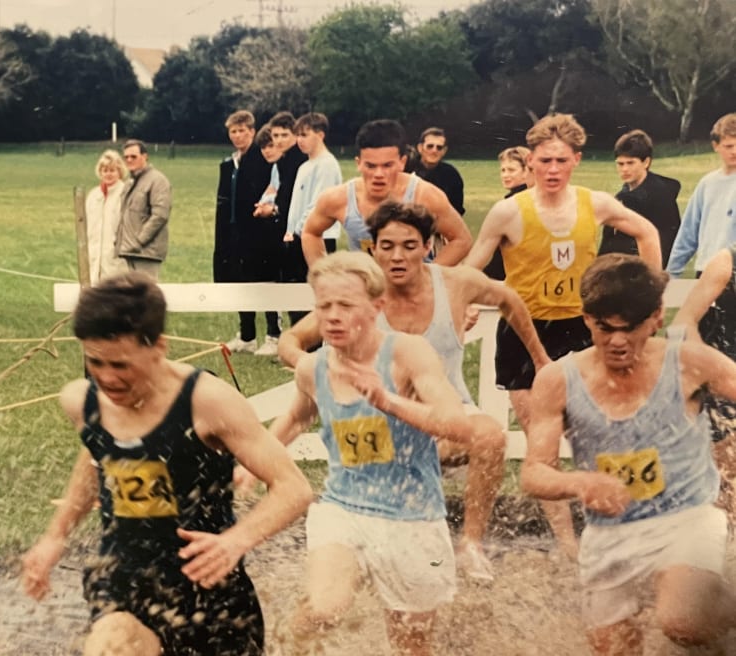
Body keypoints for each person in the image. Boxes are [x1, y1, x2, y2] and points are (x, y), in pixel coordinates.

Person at [22, 273, 313, 655]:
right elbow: (97, 455)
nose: (107, 378)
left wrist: (236, 541)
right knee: (111, 646)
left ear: (158, 346)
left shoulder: (208, 403)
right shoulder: (81, 402)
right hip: (123, 578)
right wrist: (55, 536)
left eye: (121, 365)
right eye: (95, 362)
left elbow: (295, 488)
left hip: (208, 585)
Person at [273, 201, 548, 580]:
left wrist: (540, 358)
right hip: (376, 420)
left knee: (490, 436)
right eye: (387, 246)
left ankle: (471, 543)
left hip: (445, 415)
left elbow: (510, 299)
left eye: (408, 245)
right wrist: (309, 367)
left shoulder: (456, 282)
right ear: (373, 248)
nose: (397, 256)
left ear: (428, 246)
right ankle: (364, 545)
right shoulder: (360, 295)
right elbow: (292, 338)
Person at [464, 113, 662, 558]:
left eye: (560, 161)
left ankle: (620, 528)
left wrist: (650, 295)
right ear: (530, 161)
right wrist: (460, 309)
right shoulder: (508, 211)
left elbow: (647, 231)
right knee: (542, 443)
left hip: (581, 329)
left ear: (575, 160)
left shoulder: (595, 204)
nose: (551, 170)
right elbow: (471, 267)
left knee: (601, 430)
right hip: (524, 332)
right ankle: (569, 546)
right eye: (543, 161)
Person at [522, 253, 736, 654]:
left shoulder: (690, 363)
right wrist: (579, 481)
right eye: (604, 328)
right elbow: (533, 472)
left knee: (683, 620)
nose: (617, 341)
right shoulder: (558, 381)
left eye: (630, 329)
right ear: (586, 318)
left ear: (656, 317)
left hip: (685, 518)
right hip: (610, 535)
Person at [269, 251, 474, 654]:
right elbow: (296, 419)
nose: (332, 316)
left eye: (345, 305)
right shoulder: (313, 368)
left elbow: (456, 425)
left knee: (411, 647)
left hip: (413, 517)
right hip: (343, 509)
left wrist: (388, 401)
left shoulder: (407, 354)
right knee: (324, 609)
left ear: (377, 307)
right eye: (324, 305)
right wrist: (255, 462)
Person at [300, 119, 472, 266]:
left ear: (402, 163)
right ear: (358, 163)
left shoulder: (425, 196)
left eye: (387, 165)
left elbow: (462, 239)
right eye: (371, 166)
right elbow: (310, 233)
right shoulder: (338, 198)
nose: (378, 175)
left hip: (414, 294)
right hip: (368, 290)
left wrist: (428, 275)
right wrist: (324, 274)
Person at [670, 244, 736, 521]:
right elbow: (683, 323)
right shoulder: (727, 262)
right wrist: (706, 369)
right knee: (727, 483)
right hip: (718, 379)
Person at [213, 110, 279, 356]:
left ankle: (273, 334)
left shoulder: (262, 161)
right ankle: (247, 335)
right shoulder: (230, 163)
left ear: (252, 131)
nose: (238, 135)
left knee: (264, 281)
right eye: (233, 131)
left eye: (243, 130)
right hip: (235, 233)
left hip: (260, 233)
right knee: (239, 281)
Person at [281, 112, 343, 327]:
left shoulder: (326, 165)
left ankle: (316, 347)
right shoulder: (304, 166)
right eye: (297, 135)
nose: (300, 140)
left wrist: (298, 230)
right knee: (296, 296)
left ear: (320, 135)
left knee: (316, 294)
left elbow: (318, 204)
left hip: (318, 238)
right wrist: (291, 231)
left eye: (305, 135)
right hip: (297, 237)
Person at [667, 113, 736, 278]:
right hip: (706, 271)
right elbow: (688, 233)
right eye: (728, 146)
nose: (734, 151)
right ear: (715, 146)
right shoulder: (707, 184)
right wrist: (672, 273)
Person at [599, 129, 681, 262]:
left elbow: (667, 241)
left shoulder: (661, 196)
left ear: (646, 162)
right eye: (620, 164)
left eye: (630, 163)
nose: (624, 169)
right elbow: (607, 243)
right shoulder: (620, 197)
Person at [116, 139, 171, 280]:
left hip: (146, 254)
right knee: (130, 298)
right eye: (126, 157)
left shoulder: (158, 180)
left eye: (133, 156)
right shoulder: (130, 182)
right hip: (129, 252)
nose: (129, 160)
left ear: (145, 156)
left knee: (146, 297)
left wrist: (139, 242)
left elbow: (160, 216)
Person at [483, 146, 533, 281]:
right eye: (503, 170)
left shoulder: (516, 203)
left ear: (526, 171)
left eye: (511, 170)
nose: (505, 175)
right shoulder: (517, 199)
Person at [83, 149, 129, 283]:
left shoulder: (125, 193)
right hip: (95, 254)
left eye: (112, 170)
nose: (108, 174)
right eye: (105, 170)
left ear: (119, 172)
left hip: (117, 257)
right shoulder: (93, 195)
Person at [410, 127, 464, 216]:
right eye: (430, 146)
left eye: (439, 147)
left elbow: (457, 210)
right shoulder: (407, 169)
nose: (434, 150)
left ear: (444, 151)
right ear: (420, 148)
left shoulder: (452, 175)